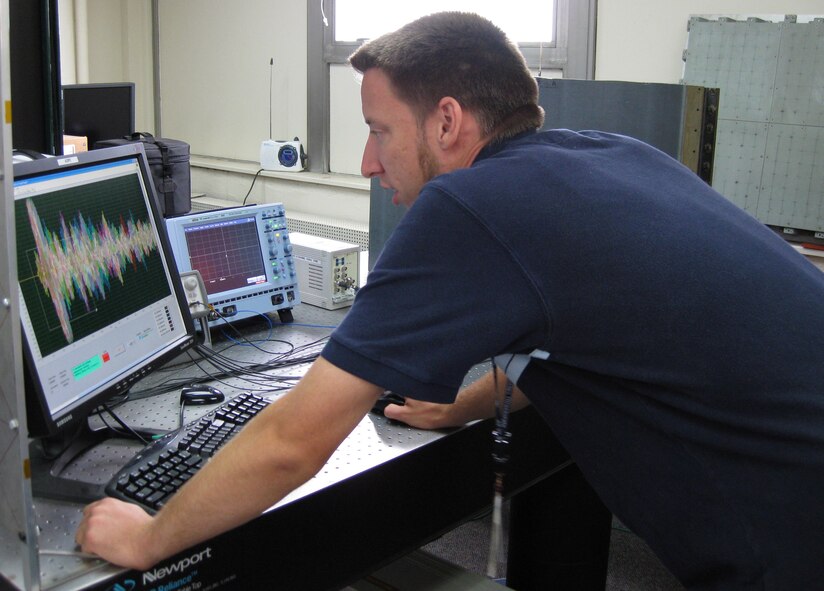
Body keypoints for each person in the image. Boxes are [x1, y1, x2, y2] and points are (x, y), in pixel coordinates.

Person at [77, 11, 824, 589]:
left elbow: (293, 442)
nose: (368, 162)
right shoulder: (612, 155)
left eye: (378, 131)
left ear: (446, 120)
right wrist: (461, 406)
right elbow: (587, 337)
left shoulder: (469, 205)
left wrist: (148, 537)